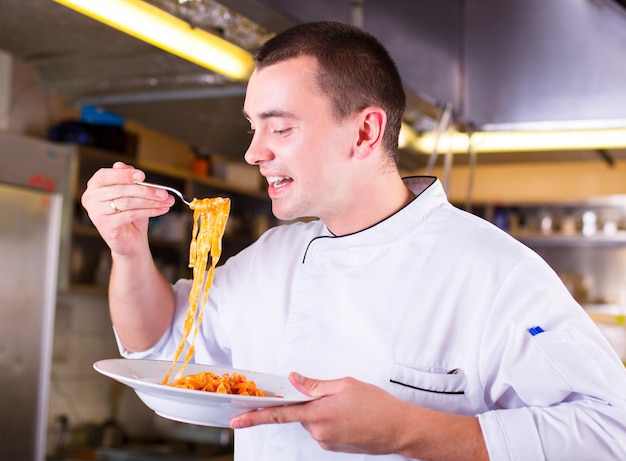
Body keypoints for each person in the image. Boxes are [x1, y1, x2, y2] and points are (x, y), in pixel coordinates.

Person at [81, 21, 626, 461]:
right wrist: (128, 249)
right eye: (253, 127)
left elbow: (610, 432)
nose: (253, 152)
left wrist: (408, 430)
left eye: (280, 127)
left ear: (365, 131)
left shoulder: (494, 271)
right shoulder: (273, 258)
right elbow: (157, 347)